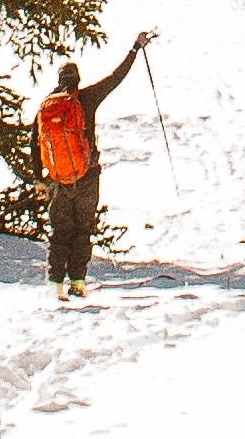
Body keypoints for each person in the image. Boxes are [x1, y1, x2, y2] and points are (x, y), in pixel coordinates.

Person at [32, 31, 154, 302]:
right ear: (77, 81)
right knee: (82, 230)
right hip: (88, 176)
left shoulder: (46, 109)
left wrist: (39, 179)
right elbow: (115, 78)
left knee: (60, 232)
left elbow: (35, 145)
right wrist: (135, 48)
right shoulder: (86, 99)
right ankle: (78, 282)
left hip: (59, 181)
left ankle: (55, 285)